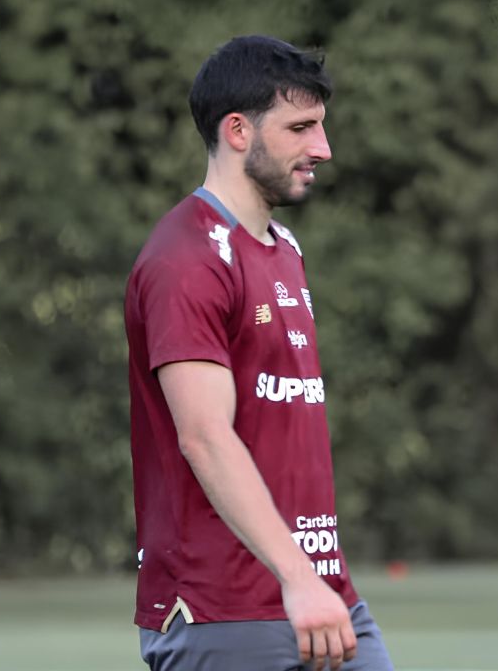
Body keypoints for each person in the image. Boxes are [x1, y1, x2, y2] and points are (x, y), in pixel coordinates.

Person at [124, 35, 394, 671]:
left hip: (321, 595)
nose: (322, 149)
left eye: (321, 127)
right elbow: (205, 437)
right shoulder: (185, 257)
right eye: (300, 127)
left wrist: (311, 580)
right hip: (224, 608)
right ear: (238, 130)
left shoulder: (284, 248)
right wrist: (297, 578)